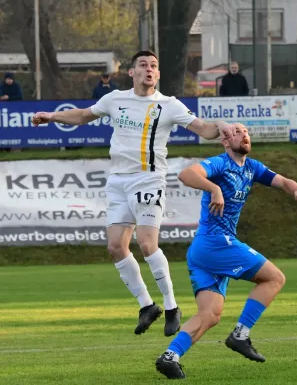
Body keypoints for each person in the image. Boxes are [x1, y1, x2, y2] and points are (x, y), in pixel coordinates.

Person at [32, 50, 235, 338]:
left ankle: (172, 306)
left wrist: (223, 126)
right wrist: (51, 116)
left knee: (147, 243)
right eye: (143, 65)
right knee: (115, 247)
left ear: (159, 74)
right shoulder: (115, 99)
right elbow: (82, 115)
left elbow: (203, 127)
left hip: (148, 179)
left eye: (154, 65)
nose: (149, 69)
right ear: (131, 72)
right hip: (118, 181)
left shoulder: (168, 105)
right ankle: (147, 305)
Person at [155, 123, 297, 379]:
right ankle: (240, 335)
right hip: (216, 242)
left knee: (210, 314)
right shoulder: (219, 163)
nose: (245, 135)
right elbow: (186, 174)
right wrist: (214, 188)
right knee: (274, 278)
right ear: (225, 141)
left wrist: (295, 188)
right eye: (237, 132)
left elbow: (281, 180)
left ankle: (170, 356)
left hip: (204, 250)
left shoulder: (252, 167)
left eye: (247, 131)